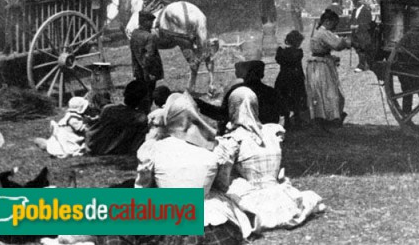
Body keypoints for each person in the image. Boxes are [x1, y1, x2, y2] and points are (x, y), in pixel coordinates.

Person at [133, 92, 248, 244]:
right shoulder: (215, 150)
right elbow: (222, 186)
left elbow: (142, 188)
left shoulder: (154, 149)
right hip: (209, 220)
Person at [223, 87, 325, 231]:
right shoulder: (272, 132)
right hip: (279, 194)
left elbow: (222, 179)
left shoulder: (234, 140)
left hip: (251, 197)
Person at [306, 9, 351, 132]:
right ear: (327, 21)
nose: (335, 27)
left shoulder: (321, 31)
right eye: (334, 24)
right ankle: (324, 122)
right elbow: (337, 45)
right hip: (320, 66)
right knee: (325, 94)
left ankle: (325, 121)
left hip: (321, 62)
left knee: (323, 94)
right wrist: (348, 42)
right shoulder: (323, 33)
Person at [86, 79, 150, 156]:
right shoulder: (140, 118)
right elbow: (136, 145)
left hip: (99, 149)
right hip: (119, 152)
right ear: (142, 100)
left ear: (124, 94)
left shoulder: (108, 109)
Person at [275, 31, 308, 130]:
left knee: (285, 98)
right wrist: (303, 77)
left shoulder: (281, 52)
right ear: (297, 42)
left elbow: (279, 60)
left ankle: (287, 120)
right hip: (295, 78)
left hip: (283, 77)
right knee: (296, 99)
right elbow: (299, 67)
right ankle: (297, 120)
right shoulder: (298, 52)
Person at [129, 11, 164, 98]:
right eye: (151, 22)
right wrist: (148, 73)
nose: (152, 24)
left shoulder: (134, 34)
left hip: (137, 70)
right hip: (149, 72)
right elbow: (149, 56)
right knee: (149, 95)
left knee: (141, 94)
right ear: (145, 22)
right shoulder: (149, 37)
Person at [350, 0, 374, 73]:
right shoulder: (354, 11)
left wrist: (358, 26)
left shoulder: (366, 11)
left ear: (360, 1)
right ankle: (363, 63)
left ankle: (362, 65)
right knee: (358, 49)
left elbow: (368, 23)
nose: (354, 4)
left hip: (364, 34)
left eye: (355, 2)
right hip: (355, 34)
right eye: (353, 2)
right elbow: (352, 21)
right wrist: (351, 25)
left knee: (363, 49)